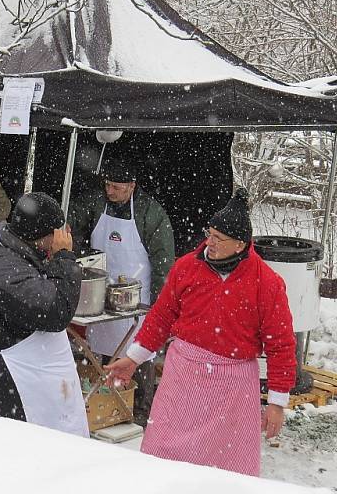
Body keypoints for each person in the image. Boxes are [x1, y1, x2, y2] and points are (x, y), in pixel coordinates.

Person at [105, 187, 296, 476]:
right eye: (210, 234)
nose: (210, 242)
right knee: (163, 458)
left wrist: (277, 402)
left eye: (219, 238)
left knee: (226, 469)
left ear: (241, 245)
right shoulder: (186, 268)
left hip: (234, 383)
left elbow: (281, 344)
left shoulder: (267, 283)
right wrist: (133, 358)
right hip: (183, 375)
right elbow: (161, 317)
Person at [68, 158, 174, 424]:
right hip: (101, 291)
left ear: (132, 186)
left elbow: (164, 263)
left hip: (138, 298)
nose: (110, 191)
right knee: (99, 351)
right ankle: (104, 402)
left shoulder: (151, 213)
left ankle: (139, 409)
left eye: (116, 187)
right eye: (107, 185)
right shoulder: (95, 203)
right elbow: (71, 227)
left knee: (138, 352)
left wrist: (161, 306)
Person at [0, 192, 88, 437]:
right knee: (26, 451)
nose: (59, 238)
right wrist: (64, 258)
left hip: (36, 375)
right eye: (55, 233)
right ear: (39, 234)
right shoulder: (9, 269)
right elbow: (57, 313)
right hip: (18, 381)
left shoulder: (22, 252)